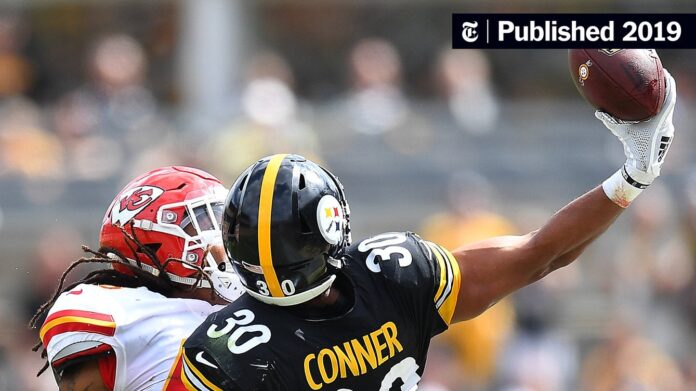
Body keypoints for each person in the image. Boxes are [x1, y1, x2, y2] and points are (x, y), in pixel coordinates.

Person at [177, 71, 678, 390]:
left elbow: (541, 254)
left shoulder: (226, 348)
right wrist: (633, 175)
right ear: (331, 229)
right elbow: (542, 254)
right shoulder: (391, 276)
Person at [29, 166, 244, 390]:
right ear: (153, 241)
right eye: (208, 222)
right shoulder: (124, 316)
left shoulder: (254, 309)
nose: (225, 239)